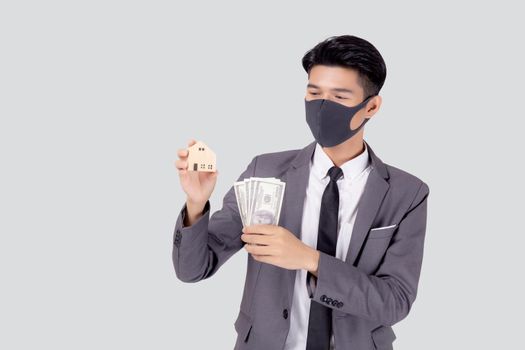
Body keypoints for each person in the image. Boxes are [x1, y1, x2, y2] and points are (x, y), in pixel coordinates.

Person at [173, 34, 430, 350]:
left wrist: (311, 260)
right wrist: (196, 203)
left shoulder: (407, 193)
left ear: (371, 106)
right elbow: (192, 270)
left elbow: (395, 301)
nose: (323, 106)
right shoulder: (263, 171)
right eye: (314, 92)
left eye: (339, 97)